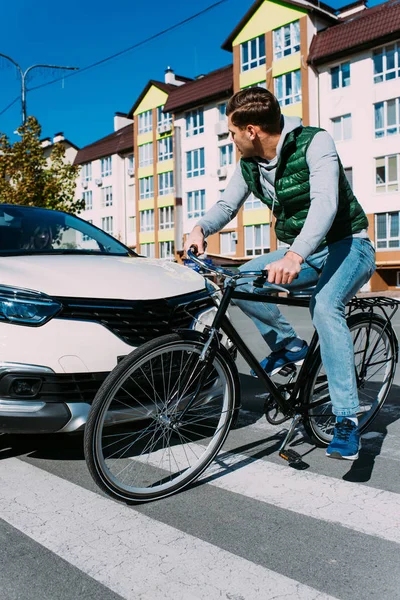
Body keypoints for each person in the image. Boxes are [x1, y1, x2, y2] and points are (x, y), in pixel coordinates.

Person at [184, 87, 376, 461]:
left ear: (251, 130)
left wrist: (294, 255)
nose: (231, 139)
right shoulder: (249, 164)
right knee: (236, 282)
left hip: (349, 244)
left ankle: (346, 419)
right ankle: (289, 346)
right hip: (302, 251)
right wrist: (200, 229)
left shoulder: (315, 143)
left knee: (325, 306)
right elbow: (227, 204)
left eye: (232, 132)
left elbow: (326, 202)